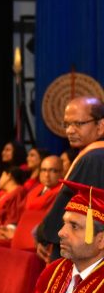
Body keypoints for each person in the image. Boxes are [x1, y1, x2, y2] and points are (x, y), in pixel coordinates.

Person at [36, 96, 104, 262]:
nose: (70, 131)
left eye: (78, 124)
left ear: (100, 125)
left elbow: (65, 207)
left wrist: (42, 235)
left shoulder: (93, 158)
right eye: (67, 124)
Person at [4, 155, 63, 248]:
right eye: (43, 170)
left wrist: (18, 234)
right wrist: (13, 228)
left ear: (62, 172)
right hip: (20, 235)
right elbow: (21, 212)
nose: (47, 175)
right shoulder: (34, 191)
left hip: (42, 242)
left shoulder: (62, 194)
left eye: (53, 171)